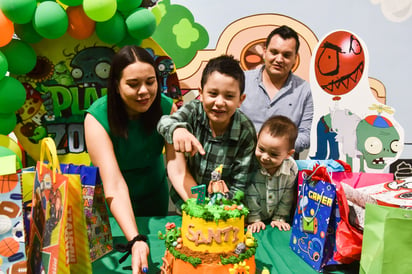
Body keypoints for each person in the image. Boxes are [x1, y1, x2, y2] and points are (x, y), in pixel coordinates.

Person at [84, 45, 177, 274]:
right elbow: (113, 183)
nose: (144, 91)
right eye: (133, 84)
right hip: (110, 205)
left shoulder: (168, 108)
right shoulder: (97, 117)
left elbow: (177, 168)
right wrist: (135, 239)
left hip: (154, 198)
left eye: (150, 81)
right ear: (116, 85)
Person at [157, 55, 257, 210]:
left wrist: (219, 208)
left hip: (223, 209)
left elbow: (240, 184)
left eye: (229, 96)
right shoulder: (194, 111)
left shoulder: (245, 131)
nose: (219, 102)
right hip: (186, 204)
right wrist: (177, 129)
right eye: (213, 94)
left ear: (240, 100)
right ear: (201, 93)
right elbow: (165, 122)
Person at [240, 25, 313, 154]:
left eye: (286, 55)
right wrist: (250, 140)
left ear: (295, 58)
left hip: (283, 169)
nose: (279, 59)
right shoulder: (241, 80)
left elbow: (305, 136)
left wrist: (276, 146)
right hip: (240, 163)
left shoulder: (305, 91)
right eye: (274, 52)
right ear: (264, 51)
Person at [246, 115, 298, 233]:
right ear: (257, 138)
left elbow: (288, 194)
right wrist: (254, 219)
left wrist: (280, 217)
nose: (265, 157)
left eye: (274, 154)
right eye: (261, 149)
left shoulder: (291, 168)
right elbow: (249, 194)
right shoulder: (250, 163)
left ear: (288, 154)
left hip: (275, 217)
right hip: (252, 216)